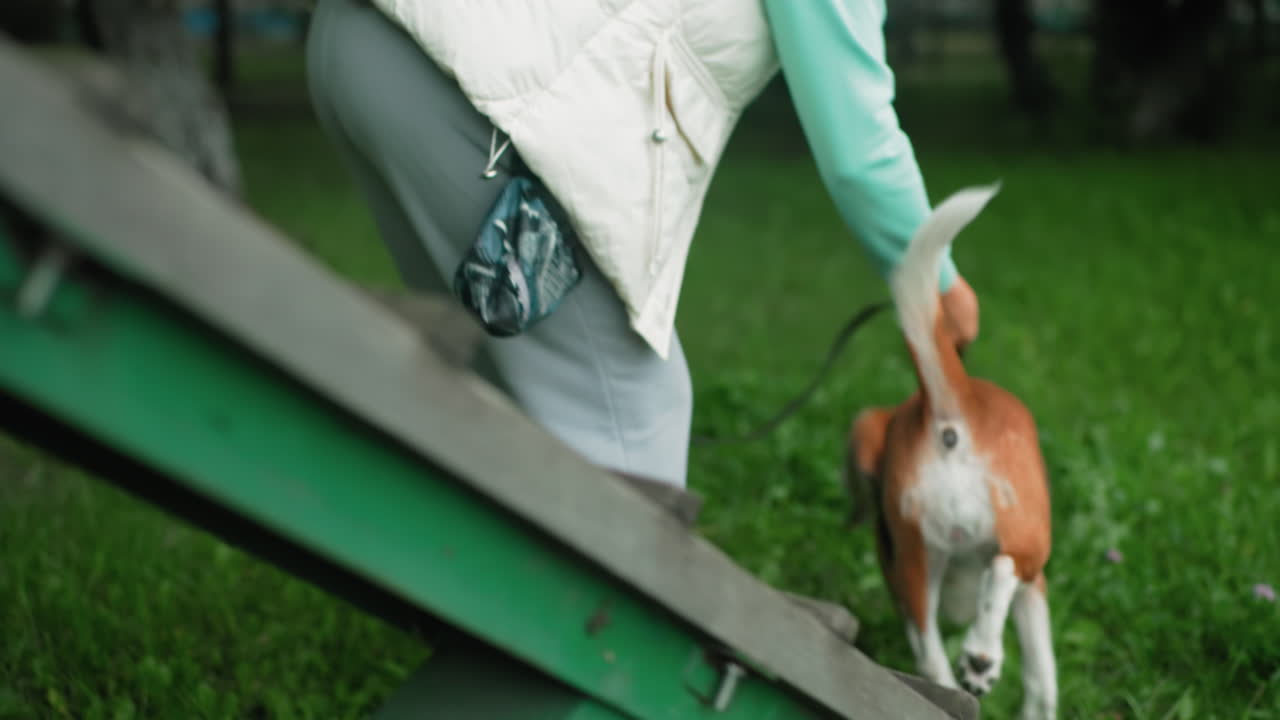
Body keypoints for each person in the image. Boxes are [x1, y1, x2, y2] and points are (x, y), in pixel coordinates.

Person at [304, 0, 979, 490]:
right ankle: (584, 644)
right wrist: (935, 281)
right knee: (632, 428)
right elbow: (860, 147)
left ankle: (465, 610)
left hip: (363, 40)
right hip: (471, 95)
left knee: (489, 381)